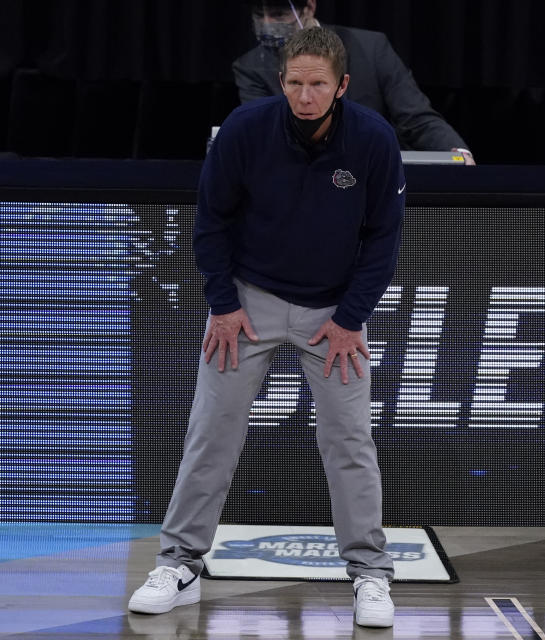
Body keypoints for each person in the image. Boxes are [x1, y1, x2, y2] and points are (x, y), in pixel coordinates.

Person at [128, 27, 403, 628]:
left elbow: (383, 239)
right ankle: (178, 563)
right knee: (211, 434)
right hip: (245, 306)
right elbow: (211, 221)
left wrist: (351, 317)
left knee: (349, 443)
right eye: (296, 83)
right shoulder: (245, 132)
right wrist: (223, 305)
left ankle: (371, 575)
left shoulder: (375, 141)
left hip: (333, 315)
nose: (305, 96)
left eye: (318, 85)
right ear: (282, 83)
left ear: (342, 87)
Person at [233, 0, 475, 164]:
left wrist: (458, 152)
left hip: (378, 178)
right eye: (259, 14)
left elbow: (416, 118)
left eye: (278, 14)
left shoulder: (371, 48)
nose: (267, 24)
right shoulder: (251, 67)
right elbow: (273, 135)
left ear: (309, 7)